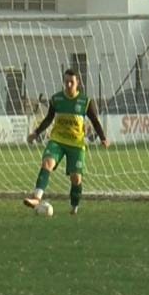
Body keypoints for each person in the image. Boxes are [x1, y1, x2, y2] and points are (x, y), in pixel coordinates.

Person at [23, 69, 109, 215]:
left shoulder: (85, 101)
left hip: (76, 144)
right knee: (47, 163)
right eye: (66, 82)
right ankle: (36, 197)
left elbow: (94, 121)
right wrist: (36, 133)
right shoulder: (57, 99)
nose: (68, 85)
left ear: (78, 83)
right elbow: (49, 119)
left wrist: (103, 138)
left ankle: (74, 206)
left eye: (71, 82)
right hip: (57, 140)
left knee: (76, 179)